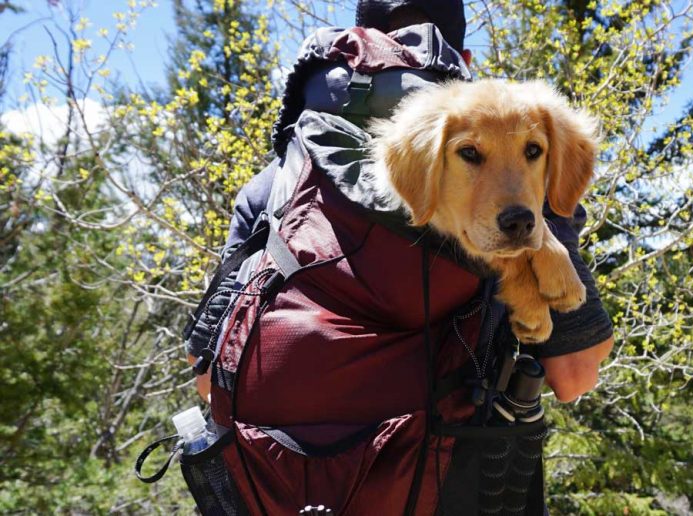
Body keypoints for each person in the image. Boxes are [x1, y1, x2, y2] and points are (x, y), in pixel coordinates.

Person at [189, 0, 613, 405]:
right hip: (438, 462)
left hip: (281, 463)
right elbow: (575, 375)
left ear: (362, 43)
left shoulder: (277, 182)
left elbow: (207, 376)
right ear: (463, 58)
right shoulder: (523, 184)